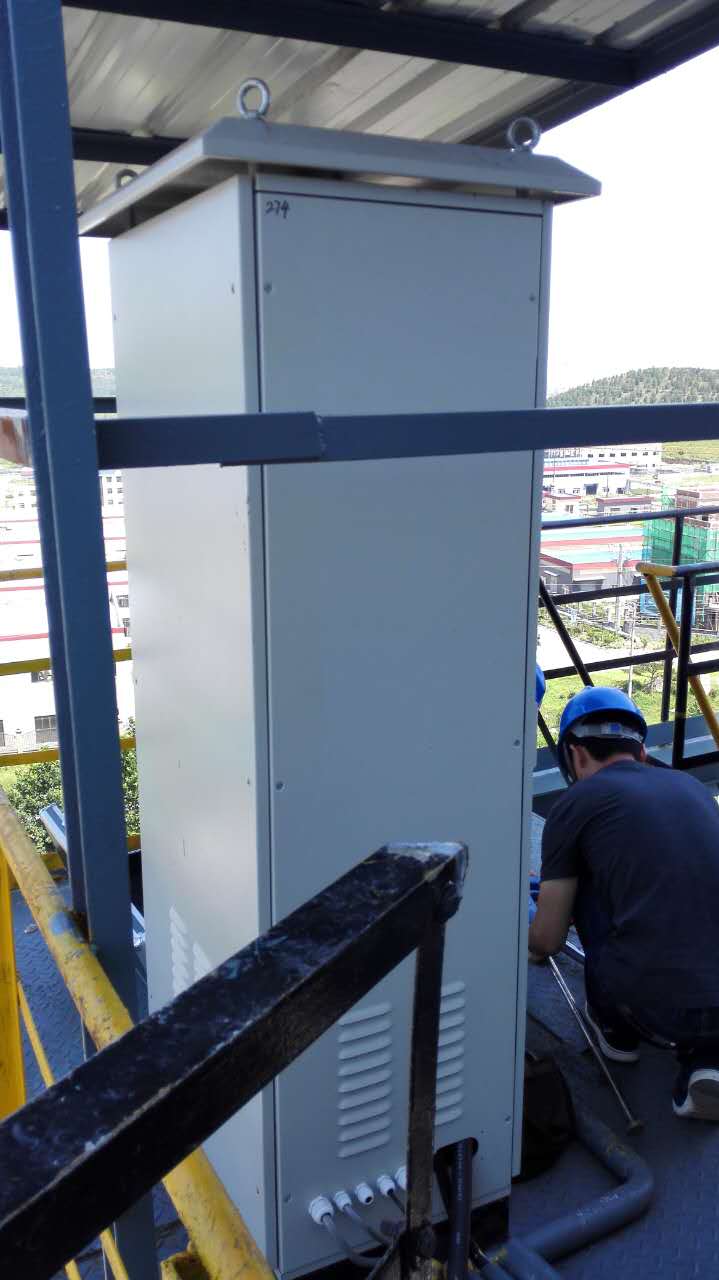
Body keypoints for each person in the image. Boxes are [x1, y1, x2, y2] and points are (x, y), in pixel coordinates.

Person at [529, 685, 719, 1121]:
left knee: (585, 890)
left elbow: (547, 942)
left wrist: (529, 931)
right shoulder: (692, 787)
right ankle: (707, 1059)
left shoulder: (576, 803)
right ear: (641, 750)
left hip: (651, 1009)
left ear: (575, 754)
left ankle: (616, 1032)